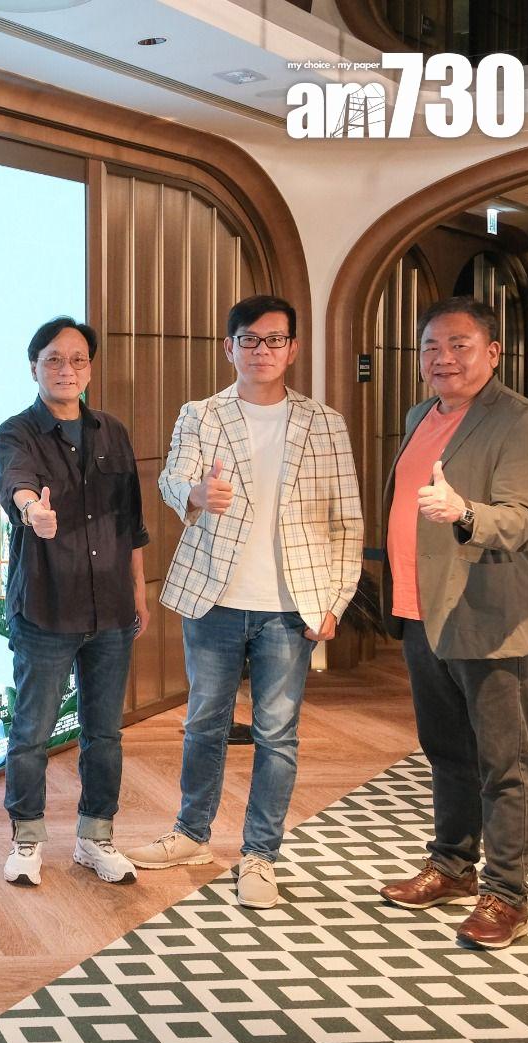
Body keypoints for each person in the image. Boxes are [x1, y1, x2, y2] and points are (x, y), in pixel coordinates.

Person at [125, 294, 363, 909]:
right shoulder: (201, 415)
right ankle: (191, 834)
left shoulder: (325, 423)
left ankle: (260, 855)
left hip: (292, 604)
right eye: (250, 340)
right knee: (204, 722)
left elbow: (347, 521)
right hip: (215, 598)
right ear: (229, 347)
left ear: (293, 348)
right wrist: (195, 493)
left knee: (277, 734)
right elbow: (171, 478)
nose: (262, 350)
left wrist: (336, 599)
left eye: (274, 339)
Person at [376, 297, 528, 950]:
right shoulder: (419, 414)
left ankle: (506, 895)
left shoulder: (522, 421)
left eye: (460, 344)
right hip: (423, 615)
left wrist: (464, 513)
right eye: (431, 346)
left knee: (503, 763)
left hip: (493, 620)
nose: (443, 358)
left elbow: (523, 518)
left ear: (493, 352)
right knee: (446, 751)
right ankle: (453, 866)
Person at [0, 316, 150, 887]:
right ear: (33, 367)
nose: (67, 369)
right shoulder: (17, 432)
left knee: (104, 734)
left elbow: (131, 521)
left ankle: (95, 837)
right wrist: (32, 509)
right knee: (32, 733)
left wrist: (138, 589)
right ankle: (27, 838)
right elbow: (16, 483)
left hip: (111, 608)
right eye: (54, 359)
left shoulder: (113, 431)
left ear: (90, 368)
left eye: (78, 359)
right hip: (47, 607)